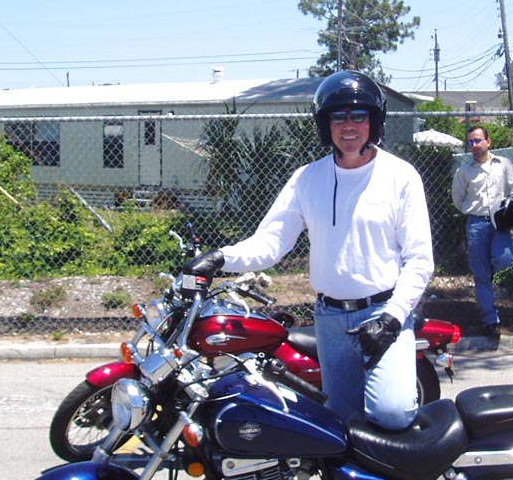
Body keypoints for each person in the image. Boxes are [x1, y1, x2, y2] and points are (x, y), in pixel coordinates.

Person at [182, 70, 434, 431]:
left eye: (359, 115)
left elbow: (419, 260)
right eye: (338, 116)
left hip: (383, 313)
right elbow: (271, 242)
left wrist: (392, 318)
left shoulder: (400, 176)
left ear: (374, 121)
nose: (349, 125)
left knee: (391, 414)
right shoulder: (307, 178)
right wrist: (221, 258)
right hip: (330, 319)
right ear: (325, 124)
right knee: (339, 425)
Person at [451, 125, 513, 346]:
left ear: (488, 142)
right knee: (481, 275)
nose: (475, 145)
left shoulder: (504, 165)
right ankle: (490, 320)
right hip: (476, 224)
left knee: (504, 259)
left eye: (478, 140)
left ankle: (489, 273)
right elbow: (458, 199)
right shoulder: (464, 171)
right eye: (471, 142)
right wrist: (472, 210)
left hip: (500, 222)